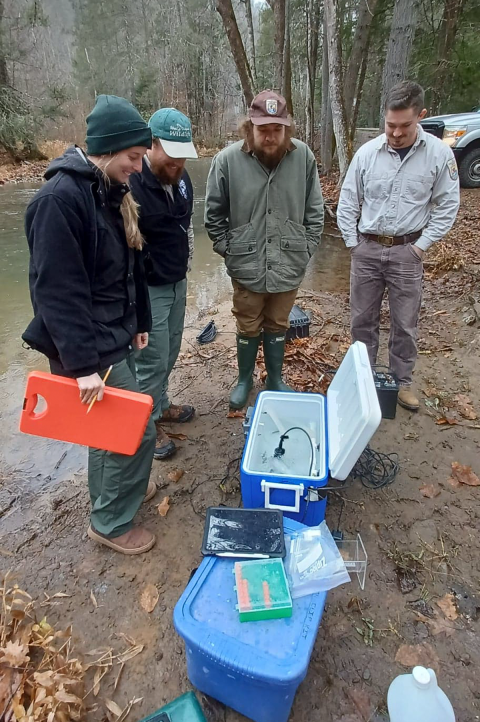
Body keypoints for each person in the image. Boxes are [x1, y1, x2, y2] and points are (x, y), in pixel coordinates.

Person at [23, 95, 158, 555]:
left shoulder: (108, 190)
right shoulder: (59, 201)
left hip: (114, 334)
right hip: (87, 347)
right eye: (134, 159)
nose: (139, 169)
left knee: (114, 431)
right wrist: (80, 365)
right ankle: (111, 521)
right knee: (132, 429)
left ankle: (117, 496)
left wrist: (138, 319)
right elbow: (56, 292)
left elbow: (128, 266)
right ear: (108, 150)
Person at [337, 81, 460, 411]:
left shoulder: (439, 154)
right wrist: (353, 244)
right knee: (362, 321)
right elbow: (348, 201)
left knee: (405, 324)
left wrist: (422, 247)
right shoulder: (367, 154)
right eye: (390, 125)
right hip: (367, 249)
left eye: (404, 125)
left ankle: (402, 382)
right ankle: (362, 380)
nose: (395, 133)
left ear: (421, 115)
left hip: (408, 251)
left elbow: (448, 204)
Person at [205, 90, 324, 409]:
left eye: (277, 129)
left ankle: (274, 379)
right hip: (246, 264)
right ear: (249, 128)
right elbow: (213, 215)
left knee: (278, 324)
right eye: (263, 129)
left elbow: (315, 210)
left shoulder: (304, 157)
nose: (270, 137)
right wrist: (228, 249)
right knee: (247, 323)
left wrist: (307, 247)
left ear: (287, 129)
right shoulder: (226, 160)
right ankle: (244, 380)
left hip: (289, 261)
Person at [130, 108, 197, 460]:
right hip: (149, 287)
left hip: (176, 280)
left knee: (170, 349)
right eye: (170, 154)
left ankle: (162, 403)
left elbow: (184, 229)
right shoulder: (132, 181)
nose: (177, 163)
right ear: (151, 145)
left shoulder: (182, 179)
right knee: (149, 361)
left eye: (183, 155)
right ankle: (146, 425)